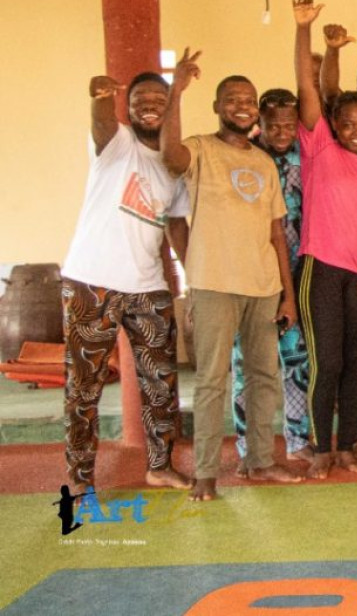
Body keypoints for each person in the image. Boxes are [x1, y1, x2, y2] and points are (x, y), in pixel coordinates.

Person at [162, 62, 301, 502]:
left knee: (263, 375)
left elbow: (277, 232)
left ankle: (259, 459)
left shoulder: (263, 161)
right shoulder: (200, 149)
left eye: (248, 100)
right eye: (233, 100)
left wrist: (288, 295)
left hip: (263, 287)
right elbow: (169, 158)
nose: (242, 107)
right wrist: (176, 91)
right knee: (212, 381)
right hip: (214, 284)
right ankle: (205, 472)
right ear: (218, 107)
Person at [60, 65, 193, 494]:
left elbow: (176, 231)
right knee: (84, 388)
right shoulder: (114, 142)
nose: (149, 107)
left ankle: (160, 466)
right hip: (90, 283)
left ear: (171, 104)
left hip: (149, 287)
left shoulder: (174, 167)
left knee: (161, 384)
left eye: (159, 99)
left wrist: (187, 286)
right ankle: (79, 481)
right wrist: (99, 97)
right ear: (128, 108)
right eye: (140, 101)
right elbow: (100, 121)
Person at [291, 0, 357, 478]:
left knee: (355, 363)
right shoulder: (318, 147)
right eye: (348, 124)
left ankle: (347, 444)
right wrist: (305, 31)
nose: (356, 131)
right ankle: (319, 446)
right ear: (334, 123)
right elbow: (308, 87)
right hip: (322, 268)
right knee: (326, 362)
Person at [231, 88, 311, 476]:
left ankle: (298, 439)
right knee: (249, 366)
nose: (281, 132)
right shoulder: (244, 158)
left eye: (288, 125)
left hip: (298, 277)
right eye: (272, 124)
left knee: (298, 362)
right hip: (253, 277)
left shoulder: (307, 158)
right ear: (258, 123)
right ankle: (249, 447)